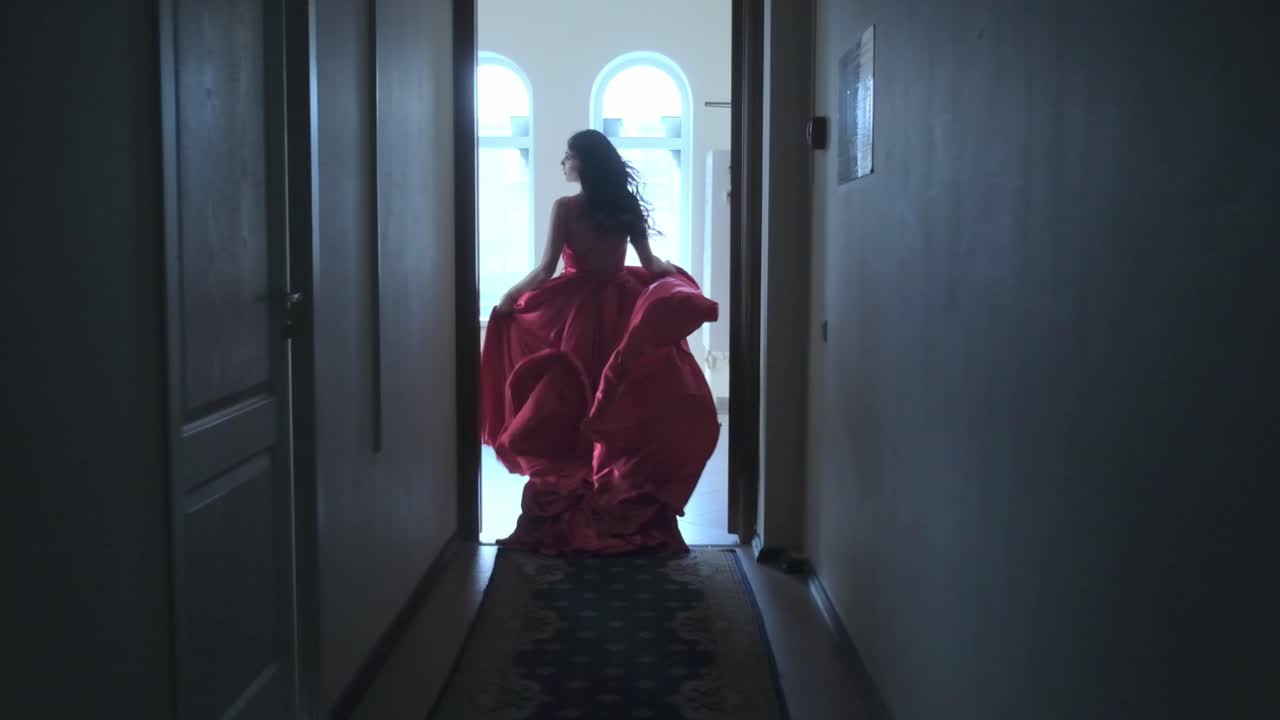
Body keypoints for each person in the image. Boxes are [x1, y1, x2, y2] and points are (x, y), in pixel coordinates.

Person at [479, 129, 720, 555]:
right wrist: (675, 278)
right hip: (623, 310)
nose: (563, 163)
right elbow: (650, 264)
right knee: (622, 401)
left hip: (577, 313)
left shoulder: (566, 208)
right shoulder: (624, 206)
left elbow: (545, 270)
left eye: (568, 155)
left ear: (584, 163)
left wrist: (509, 297)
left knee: (576, 402)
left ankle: (574, 494)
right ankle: (617, 489)